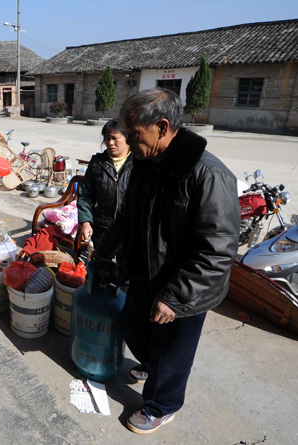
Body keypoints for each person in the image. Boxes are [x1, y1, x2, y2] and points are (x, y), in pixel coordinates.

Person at [94, 89, 240, 434]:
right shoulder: (147, 163)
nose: (128, 139)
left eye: (134, 133)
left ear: (161, 127)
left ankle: (163, 404)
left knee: (172, 351)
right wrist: (103, 249)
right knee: (133, 324)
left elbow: (217, 249)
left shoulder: (208, 175)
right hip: (146, 271)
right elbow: (127, 218)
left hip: (185, 285)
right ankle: (153, 367)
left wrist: (175, 297)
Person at [77, 118, 133, 245]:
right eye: (107, 138)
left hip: (129, 230)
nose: (110, 143)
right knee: (101, 263)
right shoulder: (97, 162)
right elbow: (85, 195)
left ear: (127, 138)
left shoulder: (138, 163)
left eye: (115, 138)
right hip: (102, 229)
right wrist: (85, 222)